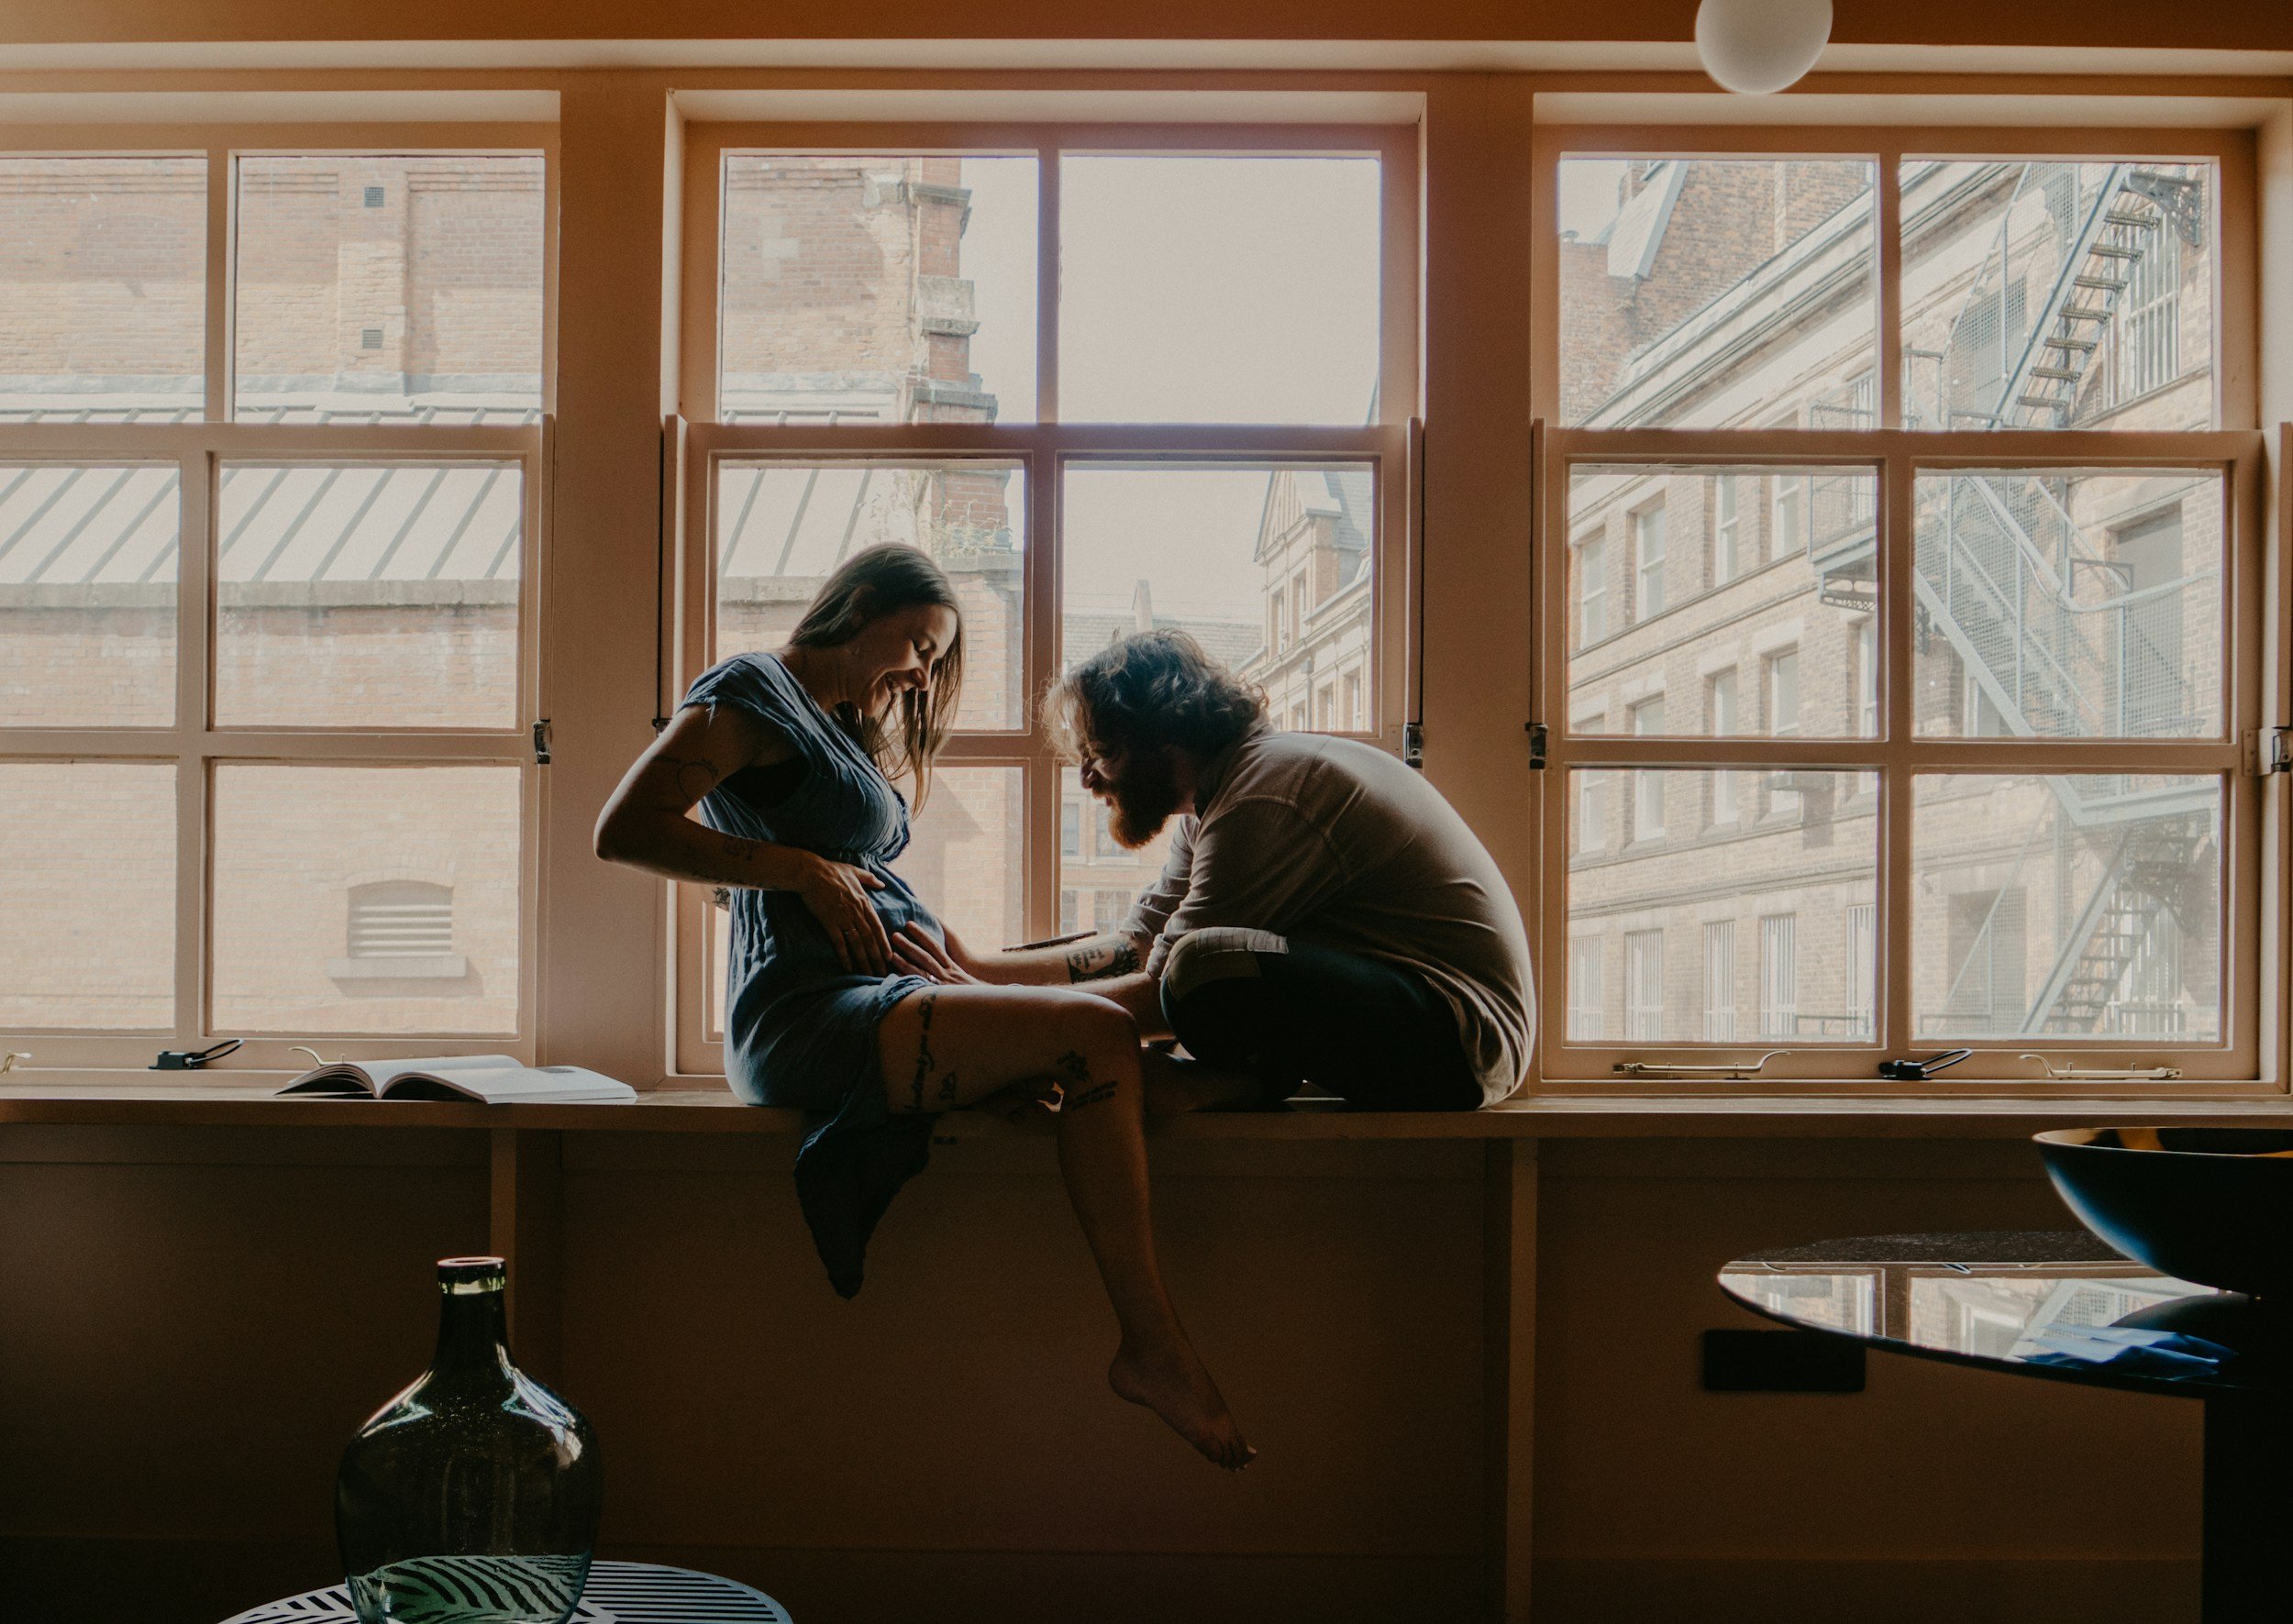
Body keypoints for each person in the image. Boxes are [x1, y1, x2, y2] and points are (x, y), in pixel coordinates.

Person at [593, 547, 1250, 1470]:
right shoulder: (753, 690)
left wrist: (1017, 969)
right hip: (803, 1009)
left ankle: (1155, 1319)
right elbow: (623, 828)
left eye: (935, 661)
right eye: (918, 643)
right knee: (1100, 1036)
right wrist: (802, 871)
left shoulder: (833, 723)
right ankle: (1152, 1347)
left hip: (877, 990)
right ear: (860, 605)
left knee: (1120, 1054)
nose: (921, 673)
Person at [891, 629, 1533, 1115]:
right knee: (1192, 964)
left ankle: (1233, 1082)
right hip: (1421, 1018)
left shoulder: (1265, 792)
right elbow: (1138, 943)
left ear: (1165, 737)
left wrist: (994, 1024)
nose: (1086, 778)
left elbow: (1158, 989)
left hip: (1464, 1045)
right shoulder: (1218, 796)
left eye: (1103, 753)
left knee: (1201, 967)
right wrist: (977, 968)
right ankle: (1239, 1078)